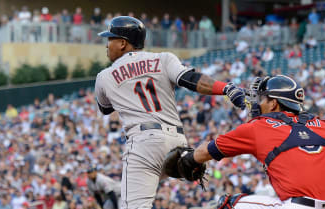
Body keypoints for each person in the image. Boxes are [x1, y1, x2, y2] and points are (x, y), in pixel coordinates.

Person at [95, 16, 246, 209]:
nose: (106, 45)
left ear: (123, 43)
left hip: (143, 144)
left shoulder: (104, 76)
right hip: (177, 142)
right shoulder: (163, 58)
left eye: (110, 39)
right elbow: (190, 79)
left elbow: (105, 108)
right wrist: (225, 88)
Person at [179, 75, 325, 208]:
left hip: (300, 206)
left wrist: (187, 160)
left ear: (273, 104)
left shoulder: (257, 127)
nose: (256, 103)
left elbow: (203, 153)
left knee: (228, 204)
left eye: (261, 98)